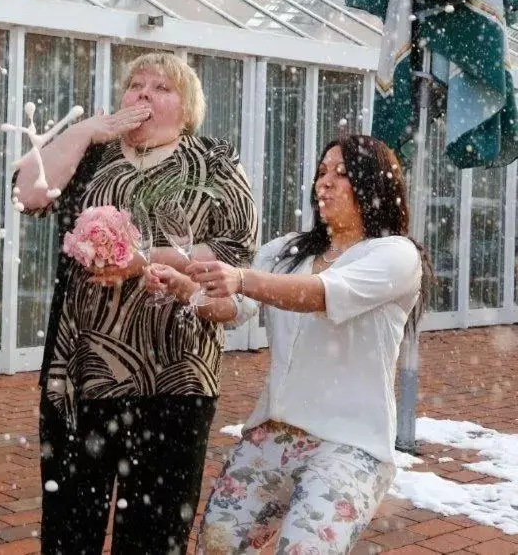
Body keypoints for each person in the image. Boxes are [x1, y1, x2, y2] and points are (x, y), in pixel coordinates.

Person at [12, 52, 257, 554]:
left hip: (176, 374)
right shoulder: (95, 156)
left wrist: (143, 257)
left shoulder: (214, 161)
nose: (143, 94)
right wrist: (84, 133)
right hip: (82, 374)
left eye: (161, 88)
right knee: (69, 529)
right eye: (135, 85)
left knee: (154, 532)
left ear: (187, 111)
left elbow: (233, 250)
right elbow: (28, 196)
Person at [168, 135, 427, 554]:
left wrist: (242, 278)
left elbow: (319, 295)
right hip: (271, 434)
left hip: (351, 445)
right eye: (322, 172)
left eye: (342, 174)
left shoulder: (395, 255)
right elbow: (232, 308)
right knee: (217, 547)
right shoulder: (286, 251)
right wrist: (186, 290)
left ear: (375, 186)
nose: (325, 183)